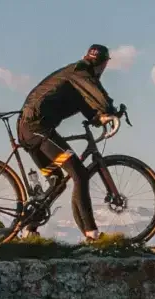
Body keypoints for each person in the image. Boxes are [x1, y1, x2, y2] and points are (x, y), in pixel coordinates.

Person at [17, 44, 119, 241]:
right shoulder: (82, 71)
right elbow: (97, 94)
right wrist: (111, 110)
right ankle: (92, 234)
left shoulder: (75, 77)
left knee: (56, 182)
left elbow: (86, 104)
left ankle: (29, 230)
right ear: (104, 63)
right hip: (37, 129)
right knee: (79, 173)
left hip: (29, 129)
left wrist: (99, 118)